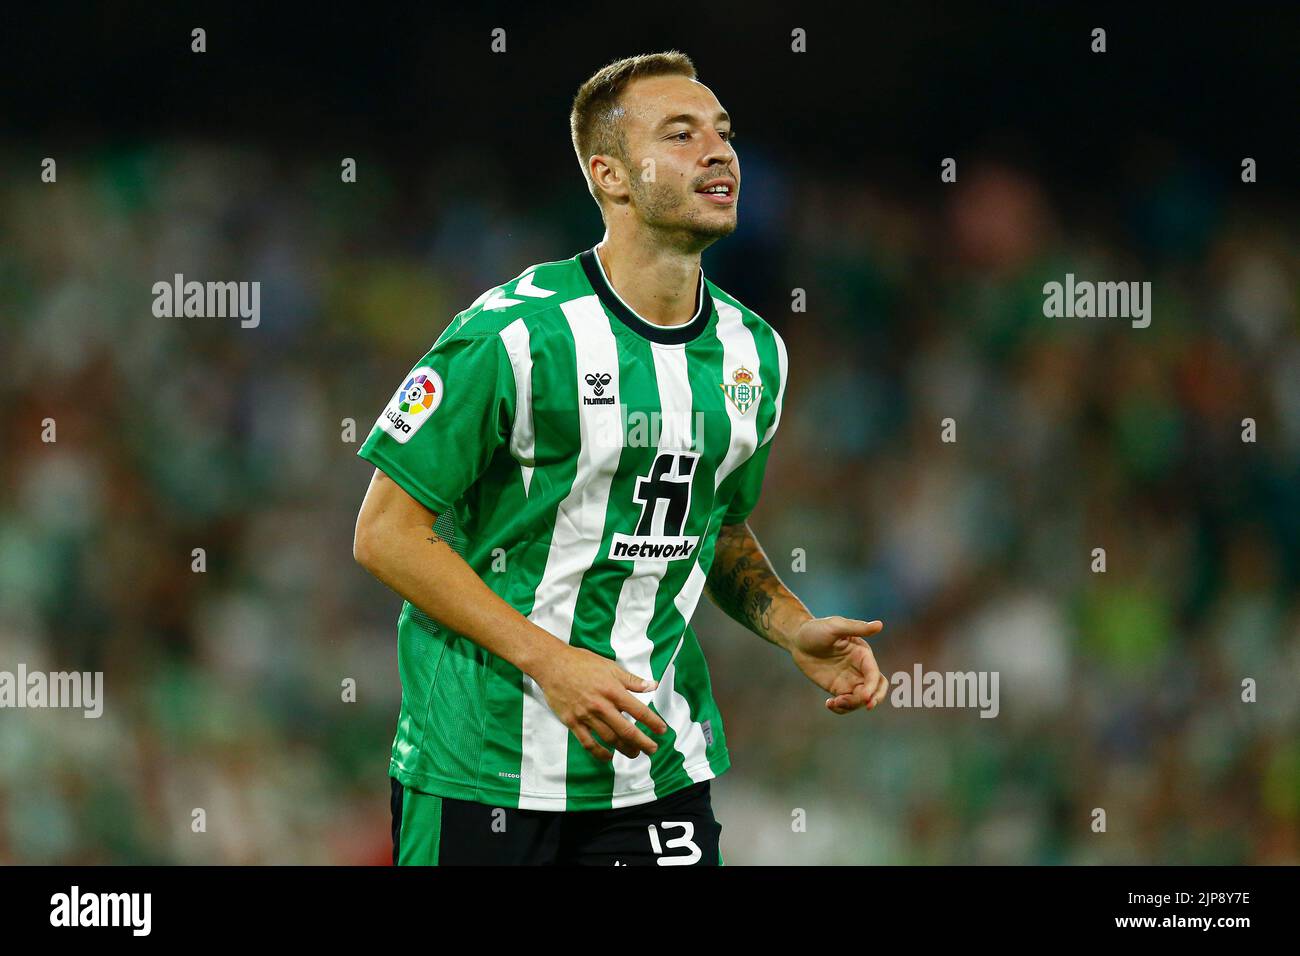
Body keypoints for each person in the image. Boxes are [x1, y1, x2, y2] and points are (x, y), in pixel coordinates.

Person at [353, 50, 888, 865]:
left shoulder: (755, 354)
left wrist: (794, 628)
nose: (718, 151)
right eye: (681, 134)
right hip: (482, 765)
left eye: (723, 133)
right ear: (611, 176)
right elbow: (385, 533)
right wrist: (552, 661)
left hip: (652, 770)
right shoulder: (516, 334)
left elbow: (713, 524)